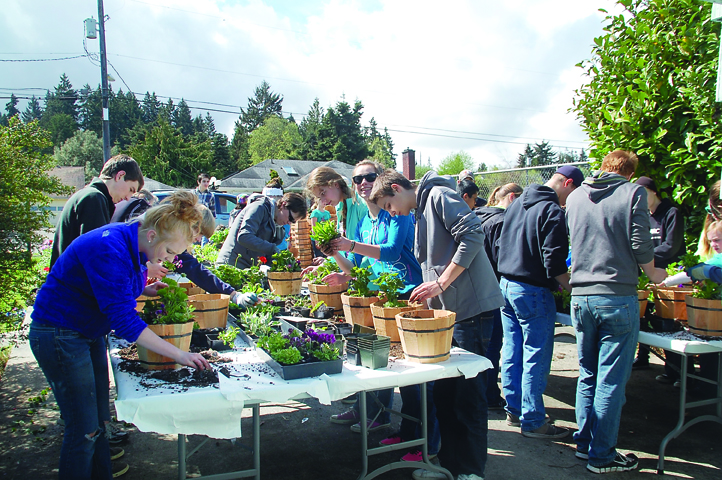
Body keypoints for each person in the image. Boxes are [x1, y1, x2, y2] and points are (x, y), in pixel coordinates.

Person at [30, 191, 211, 480]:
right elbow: (124, 322)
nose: (170, 259)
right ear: (152, 235)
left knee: (100, 422)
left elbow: (112, 286)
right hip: (60, 334)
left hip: (85, 333)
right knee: (83, 429)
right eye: (170, 252)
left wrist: (145, 289)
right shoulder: (109, 247)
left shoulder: (133, 243)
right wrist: (178, 353)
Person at [370, 169, 505, 480]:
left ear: (396, 188)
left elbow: (472, 234)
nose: (392, 213)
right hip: (447, 316)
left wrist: (441, 284)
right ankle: (447, 465)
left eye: (390, 205)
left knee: (468, 394)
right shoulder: (419, 210)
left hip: (473, 311)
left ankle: (470, 471)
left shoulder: (439, 195)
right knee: (444, 393)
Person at [566, 150, 667, 474]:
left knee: (588, 374)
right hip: (616, 295)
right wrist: (654, 274)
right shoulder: (632, 192)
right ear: (628, 172)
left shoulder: (577, 195)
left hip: (581, 296)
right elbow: (640, 243)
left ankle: (585, 446)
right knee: (610, 381)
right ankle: (602, 456)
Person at [324, 161, 430, 460]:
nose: (362, 182)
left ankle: (417, 439)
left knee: (412, 375)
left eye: (369, 177)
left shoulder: (396, 212)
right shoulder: (366, 222)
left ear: (381, 180)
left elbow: (394, 251)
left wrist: (350, 245)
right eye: (357, 178)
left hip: (406, 296)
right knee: (374, 363)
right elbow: (360, 266)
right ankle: (383, 419)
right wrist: (338, 260)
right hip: (375, 300)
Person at [496, 165, 583, 440]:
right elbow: (555, 262)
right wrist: (573, 288)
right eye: (574, 193)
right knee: (536, 353)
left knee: (512, 349)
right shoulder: (552, 211)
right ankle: (533, 420)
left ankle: (514, 410)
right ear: (568, 183)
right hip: (532, 290)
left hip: (506, 285)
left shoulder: (516, 202)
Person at [120, 205, 258, 309]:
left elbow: (194, 269)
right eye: (199, 234)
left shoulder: (172, 243)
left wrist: (233, 294)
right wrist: (144, 268)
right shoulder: (157, 237)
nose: (198, 240)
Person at [473, 183, 524, 410]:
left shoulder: (477, 215)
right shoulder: (502, 221)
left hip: (475, 289)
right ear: (512, 197)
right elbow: (503, 260)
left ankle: (483, 393)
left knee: (481, 345)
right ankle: (490, 395)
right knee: (494, 344)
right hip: (494, 289)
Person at [50, 154, 144, 270]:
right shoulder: (94, 198)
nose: (128, 198)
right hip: (71, 286)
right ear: (120, 176)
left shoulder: (88, 195)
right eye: (131, 189)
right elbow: (96, 255)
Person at [632, 176, 686, 369]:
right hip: (651, 272)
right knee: (645, 316)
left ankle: (675, 370)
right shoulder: (644, 216)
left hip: (670, 277)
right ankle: (643, 357)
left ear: (654, 191)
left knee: (670, 323)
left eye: (643, 194)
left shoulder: (672, 213)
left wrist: (644, 257)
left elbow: (671, 246)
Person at [304, 166, 368, 277]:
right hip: (355, 274)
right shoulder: (340, 207)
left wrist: (345, 276)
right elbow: (345, 251)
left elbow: (369, 247)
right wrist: (324, 266)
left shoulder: (361, 203)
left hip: (369, 277)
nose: (323, 201)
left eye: (323, 193)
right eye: (319, 197)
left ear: (335, 184)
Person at [216, 192, 306, 269]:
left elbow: (267, 254)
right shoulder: (260, 207)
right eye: (290, 218)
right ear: (283, 205)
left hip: (248, 267)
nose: (289, 223)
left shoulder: (278, 227)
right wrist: (272, 248)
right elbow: (244, 236)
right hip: (230, 264)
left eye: (293, 221)